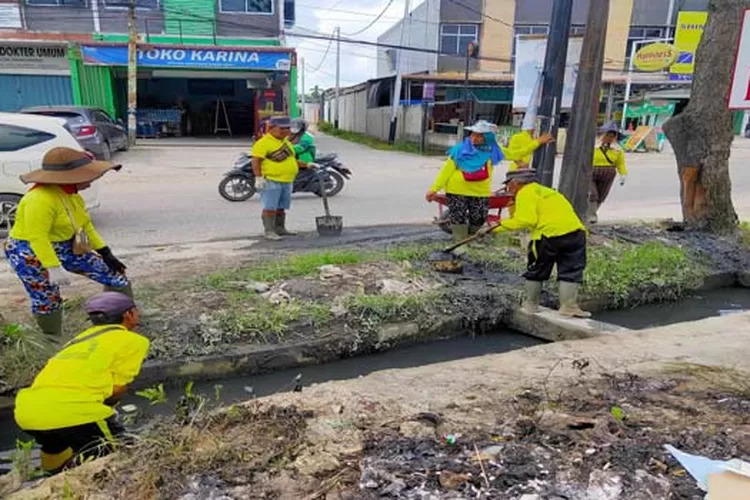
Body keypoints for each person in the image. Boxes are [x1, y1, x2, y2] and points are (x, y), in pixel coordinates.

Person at [15, 292, 150, 474]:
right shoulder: (133, 341)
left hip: (28, 412)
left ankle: (46, 481)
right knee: (121, 458)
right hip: (75, 411)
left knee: (56, 447)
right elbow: (117, 388)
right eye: (136, 311)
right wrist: (106, 409)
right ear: (128, 314)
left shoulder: (77, 341)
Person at [4, 147, 131, 337]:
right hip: (29, 251)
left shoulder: (71, 195)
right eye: (88, 175)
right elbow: (37, 237)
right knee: (47, 297)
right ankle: (52, 337)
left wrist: (105, 252)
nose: (93, 179)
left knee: (114, 274)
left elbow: (85, 225)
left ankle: (120, 317)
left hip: (66, 244)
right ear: (70, 177)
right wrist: (53, 268)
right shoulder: (39, 199)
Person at [488, 169, 590, 318]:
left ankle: (530, 305)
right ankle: (569, 306)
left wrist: (497, 227)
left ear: (516, 183)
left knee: (537, 269)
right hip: (575, 234)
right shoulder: (548, 192)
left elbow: (526, 220)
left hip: (548, 235)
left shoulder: (525, 193)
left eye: (509, 184)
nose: (508, 188)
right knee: (571, 270)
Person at [426, 120, 504, 242]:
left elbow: (514, 153)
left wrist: (537, 143)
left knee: (479, 217)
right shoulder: (459, 150)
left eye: (479, 135)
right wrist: (434, 189)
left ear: (487, 138)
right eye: (473, 134)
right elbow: (446, 171)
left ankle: (471, 239)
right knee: (458, 217)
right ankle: (460, 241)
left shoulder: (492, 151)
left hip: (480, 192)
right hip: (457, 190)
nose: (474, 138)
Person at [251, 116, 313, 240]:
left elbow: (291, 159)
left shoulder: (285, 142)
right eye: (282, 129)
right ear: (271, 128)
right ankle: (269, 231)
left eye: (287, 128)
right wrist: (258, 178)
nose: (286, 131)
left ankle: (280, 228)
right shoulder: (263, 143)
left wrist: (307, 164)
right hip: (271, 180)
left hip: (287, 180)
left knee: (281, 207)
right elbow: (256, 161)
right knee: (270, 207)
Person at [589, 122, 627, 224]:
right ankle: (591, 215)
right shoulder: (593, 146)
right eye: (608, 135)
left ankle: (590, 213)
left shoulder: (617, 150)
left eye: (612, 136)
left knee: (601, 195)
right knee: (592, 194)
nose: (610, 138)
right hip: (592, 172)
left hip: (608, 173)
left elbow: (620, 164)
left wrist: (623, 174)